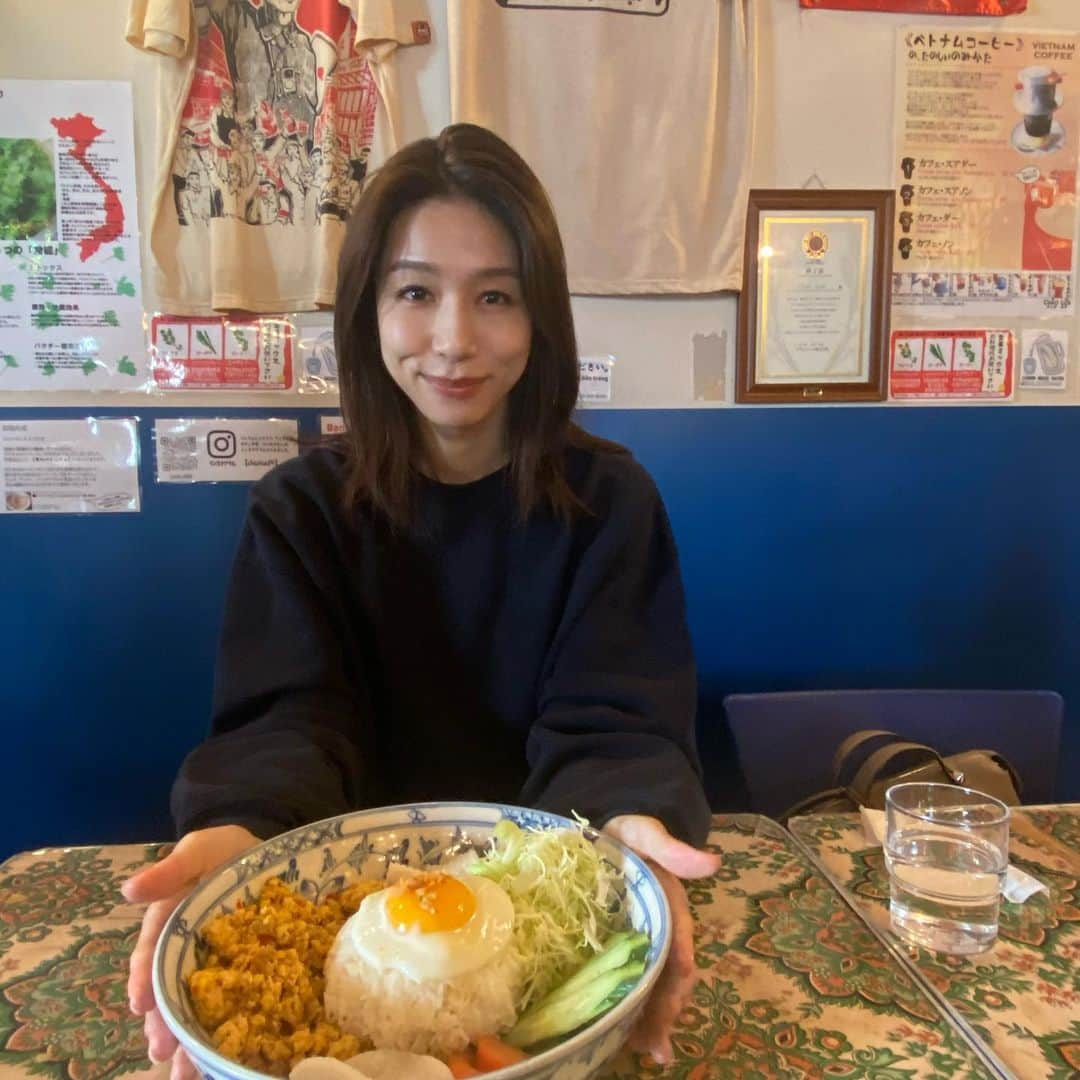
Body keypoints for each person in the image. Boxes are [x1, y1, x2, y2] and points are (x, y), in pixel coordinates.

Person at [123, 123, 720, 1078]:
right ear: (368, 311)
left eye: (496, 297)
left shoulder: (611, 502)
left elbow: (618, 723)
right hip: (352, 947)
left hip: (536, 936)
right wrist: (234, 833)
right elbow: (285, 722)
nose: (454, 340)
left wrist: (635, 825)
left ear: (541, 321)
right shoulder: (301, 508)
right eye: (415, 293)